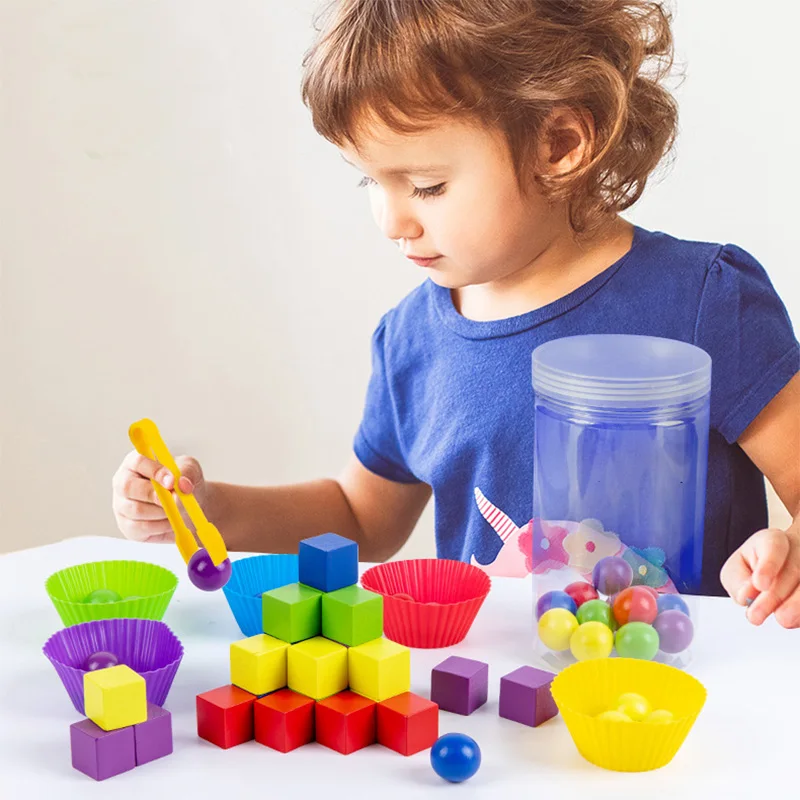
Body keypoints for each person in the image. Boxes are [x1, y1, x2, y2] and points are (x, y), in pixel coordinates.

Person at [112, 1, 799, 627]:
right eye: (370, 181)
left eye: (426, 185)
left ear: (560, 145)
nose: (391, 220)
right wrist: (215, 512)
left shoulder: (708, 300)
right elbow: (362, 518)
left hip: (679, 704)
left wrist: (789, 551)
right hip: (493, 707)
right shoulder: (411, 340)